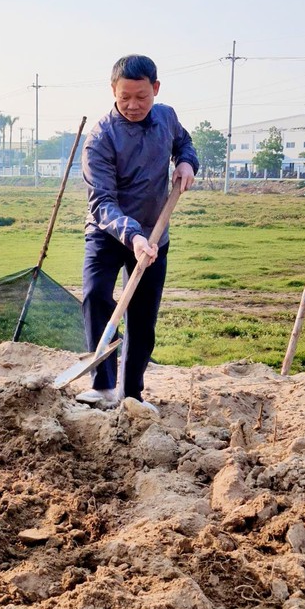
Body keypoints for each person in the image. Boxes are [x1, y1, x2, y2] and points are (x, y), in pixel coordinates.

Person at [78, 54, 198, 410]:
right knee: (96, 296)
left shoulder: (167, 118)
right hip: (108, 233)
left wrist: (187, 162)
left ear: (156, 90)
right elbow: (102, 201)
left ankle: (131, 394)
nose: (132, 105)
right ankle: (102, 387)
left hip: (154, 235)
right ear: (112, 91)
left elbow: (185, 144)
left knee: (143, 319)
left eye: (141, 97)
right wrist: (132, 235)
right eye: (124, 96)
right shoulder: (100, 138)